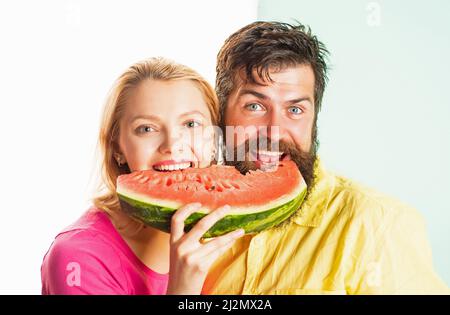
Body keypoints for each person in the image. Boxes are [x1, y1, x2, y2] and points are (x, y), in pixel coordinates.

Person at [202, 21, 449, 294]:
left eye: (295, 110)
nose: (275, 129)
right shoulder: (188, 223)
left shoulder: (380, 224)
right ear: (221, 113)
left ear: (314, 119)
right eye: (255, 105)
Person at [41, 57, 245, 295]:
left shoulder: (237, 232)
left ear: (213, 138)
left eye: (191, 124)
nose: (172, 144)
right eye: (147, 129)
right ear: (117, 148)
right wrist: (183, 289)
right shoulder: (78, 258)